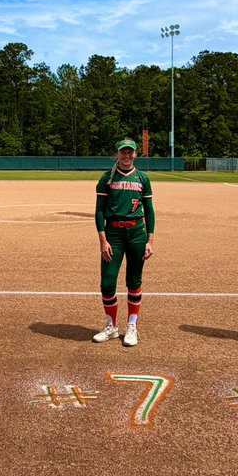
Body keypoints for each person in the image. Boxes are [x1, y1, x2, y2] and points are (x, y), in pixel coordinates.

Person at [92, 137, 155, 346]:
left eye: (130, 152)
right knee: (107, 282)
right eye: (123, 152)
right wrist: (103, 240)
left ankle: (132, 326)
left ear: (135, 154)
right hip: (114, 234)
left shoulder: (142, 178)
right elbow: (99, 211)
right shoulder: (107, 178)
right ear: (117, 154)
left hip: (137, 233)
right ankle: (111, 326)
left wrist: (150, 240)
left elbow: (150, 211)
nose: (126, 156)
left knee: (134, 281)